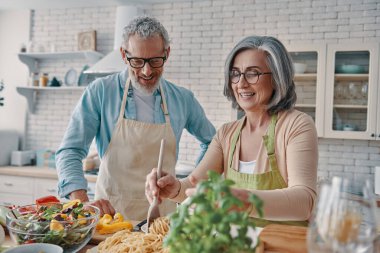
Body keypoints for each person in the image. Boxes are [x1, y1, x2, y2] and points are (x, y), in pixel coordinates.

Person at [146, 35, 318, 227]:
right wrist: (174, 188)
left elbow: (304, 202)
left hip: (284, 245)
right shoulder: (226, 134)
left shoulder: (297, 125)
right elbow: (195, 183)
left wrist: (241, 199)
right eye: (235, 73)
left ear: (277, 78)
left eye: (253, 73)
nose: (241, 83)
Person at [56, 16, 216, 220]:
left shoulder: (182, 99)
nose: (147, 71)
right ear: (124, 55)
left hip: (163, 220)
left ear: (166, 53)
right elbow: (70, 150)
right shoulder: (101, 92)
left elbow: (213, 144)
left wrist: (191, 185)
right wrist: (82, 201)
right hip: (110, 219)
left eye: (155, 61)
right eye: (137, 61)